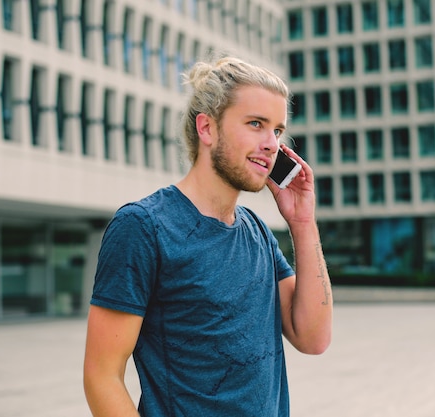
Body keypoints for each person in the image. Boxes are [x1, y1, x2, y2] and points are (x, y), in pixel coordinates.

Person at [83, 55, 333, 417]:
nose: (272, 143)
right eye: (255, 124)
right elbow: (101, 375)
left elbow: (313, 338)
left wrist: (303, 222)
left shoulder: (258, 233)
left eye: (277, 130)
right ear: (207, 129)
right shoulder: (143, 226)